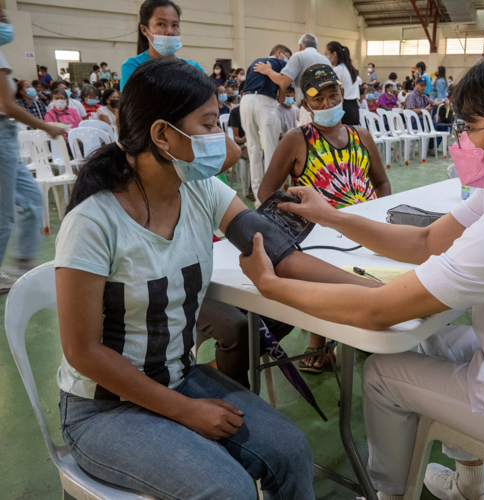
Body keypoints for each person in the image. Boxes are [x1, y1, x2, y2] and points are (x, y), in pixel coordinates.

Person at [241, 48, 484, 500]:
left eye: (471, 128)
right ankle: (468, 486)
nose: (461, 140)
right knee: (433, 337)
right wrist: (334, 217)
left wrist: (271, 286)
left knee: (383, 374)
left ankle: (388, 493)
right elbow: (424, 243)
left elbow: (378, 310)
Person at [53, 57, 330, 499]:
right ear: (163, 135)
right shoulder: (93, 222)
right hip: (104, 409)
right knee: (229, 490)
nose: (222, 137)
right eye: (208, 124)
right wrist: (183, 410)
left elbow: (279, 254)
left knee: (292, 451)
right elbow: (82, 351)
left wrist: (379, 292)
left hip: (178, 378)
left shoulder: (200, 190)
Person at [258, 64, 391, 373]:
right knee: (325, 276)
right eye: (318, 100)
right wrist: (298, 221)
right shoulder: (296, 140)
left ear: (343, 95)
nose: (327, 104)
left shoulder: (362, 136)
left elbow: (382, 182)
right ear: (305, 104)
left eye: (333, 96)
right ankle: (319, 341)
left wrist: (378, 217)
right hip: (320, 233)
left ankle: (365, 328)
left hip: (363, 229)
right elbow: (267, 191)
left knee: (375, 276)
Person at [0, 8, 66, 291]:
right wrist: (47, 127)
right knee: (4, 215)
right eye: (2, 19)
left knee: (30, 200)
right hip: (2, 135)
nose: (7, 24)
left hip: (6, 136)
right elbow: (7, 106)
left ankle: (22, 265)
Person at [239, 44, 292, 208]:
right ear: (278, 53)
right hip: (265, 102)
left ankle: (258, 199)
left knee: (254, 150)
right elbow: (284, 85)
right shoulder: (282, 64)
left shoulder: (254, 63)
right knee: (271, 150)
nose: (289, 61)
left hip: (246, 102)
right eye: (288, 56)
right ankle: (272, 195)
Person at [120, 0, 205, 91]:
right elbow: (133, 104)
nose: (170, 31)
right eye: (161, 24)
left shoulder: (194, 69)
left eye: (175, 25)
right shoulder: (133, 67)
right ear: (144, 30)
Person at [252, 33, 331, 103]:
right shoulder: (327, 61)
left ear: (300, 46)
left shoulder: (298, 56)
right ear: (316, 47)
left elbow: (284, 82)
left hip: (309, 105)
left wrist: (267, 71)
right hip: (326, 105)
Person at [406, 76, 446, 154]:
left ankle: (432, 147)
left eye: (424, 85)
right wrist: (425, 110)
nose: (423, 87)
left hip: (423, 121)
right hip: (414, 123)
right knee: (432, 123)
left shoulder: (423, 96)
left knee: (443, 126)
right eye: (421, 85)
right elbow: (410, 110)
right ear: (416, 85)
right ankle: (430, 148)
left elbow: (433, 103)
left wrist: (444, 102)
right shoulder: (412, 95)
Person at [325, 41, 360, 126]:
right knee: (352, 135)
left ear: (334, 54)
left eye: (326, 54)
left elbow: (331, 89)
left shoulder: (338, 69)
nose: (325, 57)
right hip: (354, 107)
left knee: (343, 136)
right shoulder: (349, 68)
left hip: (345, 107)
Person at [228, 103, 251, 198]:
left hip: (256, 144)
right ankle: (253, 189)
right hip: (242, 146)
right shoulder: (236, 112)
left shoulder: (255, 110)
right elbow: (235, 138)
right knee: (254, 155)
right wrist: (243, 139)